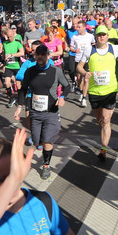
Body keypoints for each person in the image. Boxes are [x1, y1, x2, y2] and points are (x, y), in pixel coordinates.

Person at [16, 44, 70, 180]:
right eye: (38, 54)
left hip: (51, 112)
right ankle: (42, 145)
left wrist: (62, 97)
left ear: (48, 56)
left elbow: (67, 86)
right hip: (35, 112)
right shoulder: (30, 71)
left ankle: (46, 165)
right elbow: (23, 89)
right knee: (36, 141)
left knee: (47, 141)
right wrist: (19, 107)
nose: (40, 56)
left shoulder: (55, 71)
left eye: (43, 54)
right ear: (35, 56)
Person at [78, 28, 118, 163]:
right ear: (95, 37)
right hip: (94, 91)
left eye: (104, 35)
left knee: (106, 119)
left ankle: (103, 149)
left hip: (110, 90)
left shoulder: (115, 49)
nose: (101, 37)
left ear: (108, 36)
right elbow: (79, 66)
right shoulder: (89, 50)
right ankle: (105, 130)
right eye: (99, 35)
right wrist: (85, 73)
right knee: (100, 120)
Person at [68, 19, 94, 105]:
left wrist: (91, 50)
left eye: (79, 27)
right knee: (79, 78)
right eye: (77, 27)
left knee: (86, 78)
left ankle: (84, 98)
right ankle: (81, 90)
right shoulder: (74, 37)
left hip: (87, 60)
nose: (77, 28)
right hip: (78, 59)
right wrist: (74, 50)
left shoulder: (90, 36)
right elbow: (71, 47)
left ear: (84, 27)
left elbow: (93, 44)